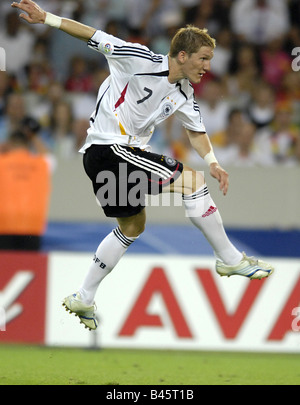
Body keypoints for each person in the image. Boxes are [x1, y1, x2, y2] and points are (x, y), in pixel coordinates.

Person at [11, 0, 274, 331]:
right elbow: (92, 34)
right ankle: (230, 259)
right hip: (111, 148)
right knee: (191, 183)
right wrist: (46, 17)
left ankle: (84, 295)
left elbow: (196, 131)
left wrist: (214, 161)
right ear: (182, 55)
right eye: (203, 58)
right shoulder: (136, 58)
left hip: (105, 157)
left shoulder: (183, 92)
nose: (208, 66)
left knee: (132, 227)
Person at [0, 117, 52, 250]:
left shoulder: (2, 162)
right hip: (32, 225)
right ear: (28, 144)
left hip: (4, 224)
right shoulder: (41, 164)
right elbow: (50, 157)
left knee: (5, 268)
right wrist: (33, 136)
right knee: (29, 266)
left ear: (10, 143)